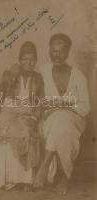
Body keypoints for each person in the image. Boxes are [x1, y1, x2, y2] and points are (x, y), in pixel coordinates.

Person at [33, 33, 90, 195]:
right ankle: (65, 178)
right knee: (60, 124)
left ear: (68, 52)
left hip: (75, 120)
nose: (56, 54)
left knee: (62, 120)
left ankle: (45, 166)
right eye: (53, 50)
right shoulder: (42, 71)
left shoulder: (78, 75)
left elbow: (85, 107)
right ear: (49, 51)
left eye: (61, 51)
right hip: (49, 119)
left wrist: (63, 105)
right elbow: (36, 97)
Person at [0, 41, 44, 191]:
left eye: (32, 59)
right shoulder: (10, 74)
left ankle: (25, 180)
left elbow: (39, 102)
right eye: (25, 59)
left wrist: (34, 118)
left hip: (27, 112)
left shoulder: (38, 78)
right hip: (9, 110)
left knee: (27, 132)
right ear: (20, 60)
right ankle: (9, 179)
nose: (28, 62)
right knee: (6, 133)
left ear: (36, 61)